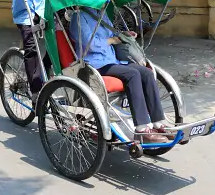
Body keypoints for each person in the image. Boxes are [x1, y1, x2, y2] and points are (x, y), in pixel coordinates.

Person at [70, 7, 170, 143]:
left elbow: (112, 33)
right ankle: (142, 129)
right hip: (94, 65)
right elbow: (90, 44)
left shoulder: (102, 14)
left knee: (147, 72)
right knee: (133, 74)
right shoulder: (79, 18)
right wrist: (112, 41)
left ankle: (158, 122)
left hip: (112, 60)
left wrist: (123, 35)